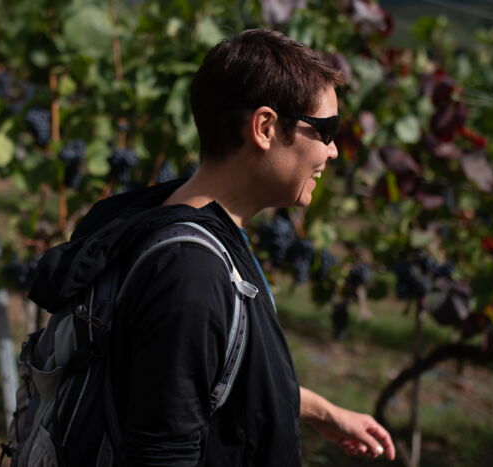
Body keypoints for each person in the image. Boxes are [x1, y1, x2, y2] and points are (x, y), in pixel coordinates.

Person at [30, 29, 395, 466]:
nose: (332, 151)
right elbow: (162, 453)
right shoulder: (191, 273)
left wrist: (321, 411)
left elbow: (186, 379)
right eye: (326, 130)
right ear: (265, 128)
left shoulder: (147, 215)